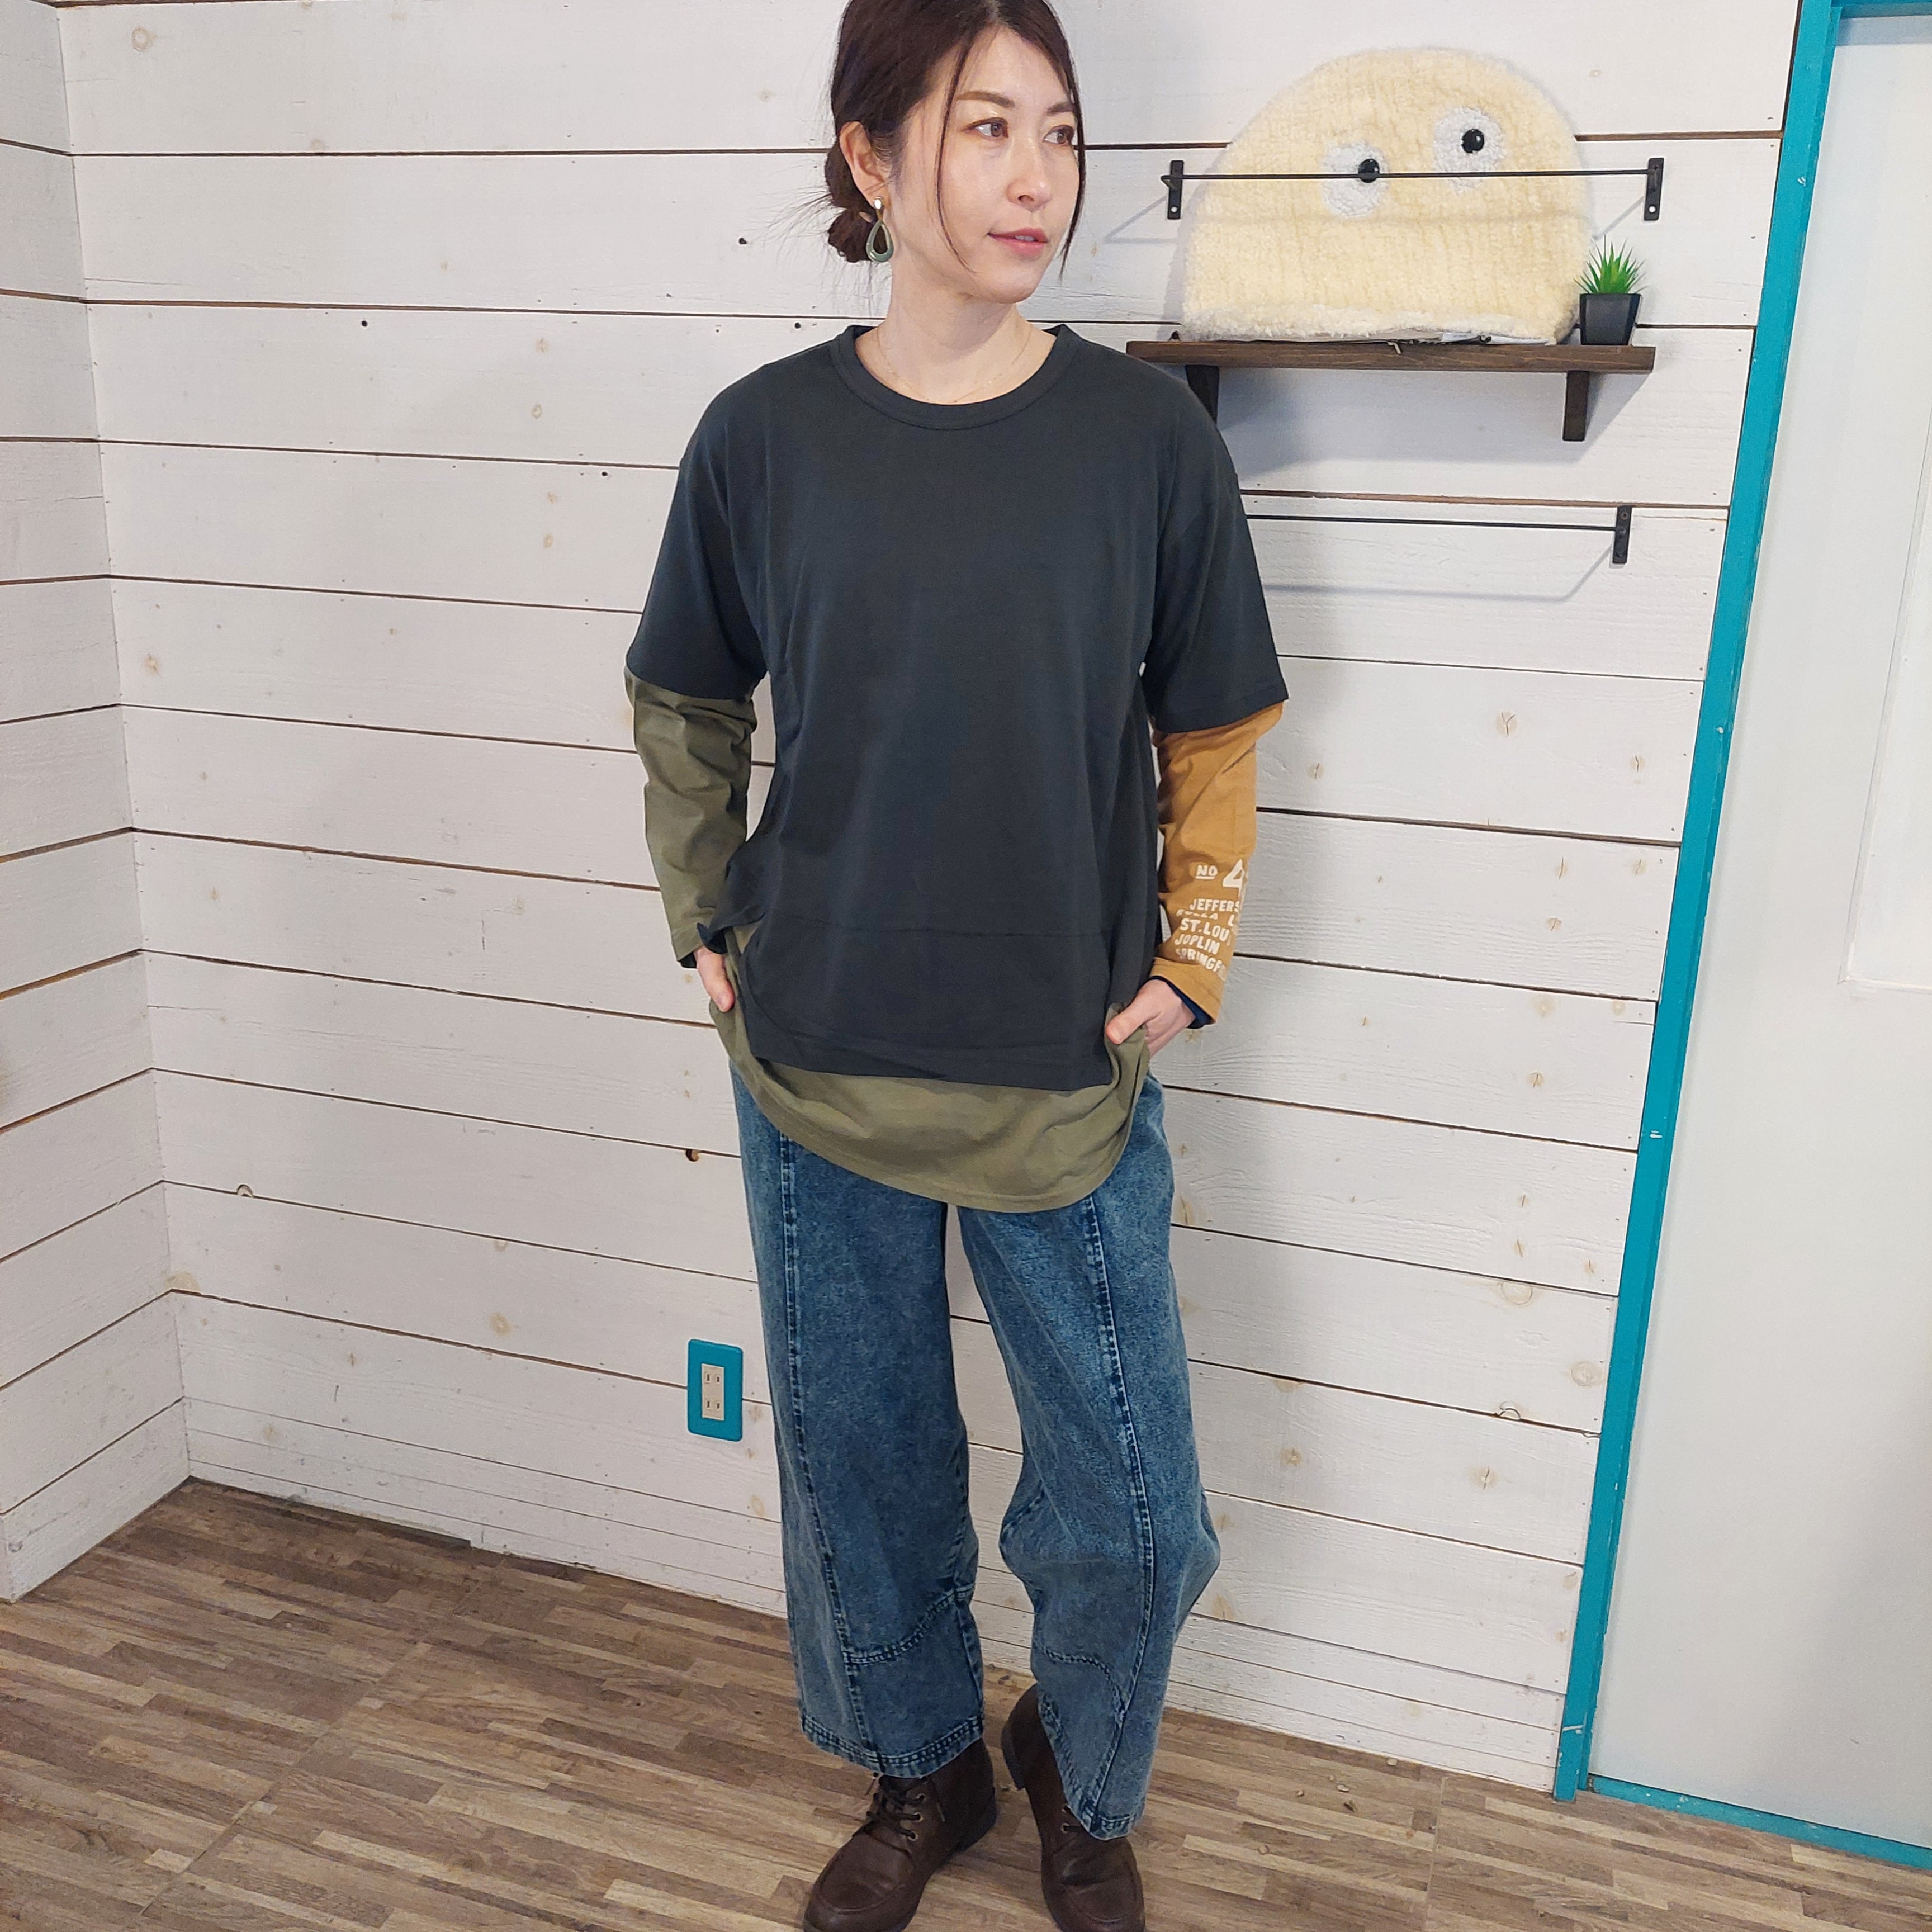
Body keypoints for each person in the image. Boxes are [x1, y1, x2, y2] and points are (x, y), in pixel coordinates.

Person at [623, 4, 1286, 1928]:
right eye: (986, 127)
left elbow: (1219, 732)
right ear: (870, 156)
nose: (1033, 176)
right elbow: (684, 697)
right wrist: (705, 910)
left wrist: (1194, 959)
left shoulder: (1144, 442)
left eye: (1059, 133)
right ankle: (923, 1771)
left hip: (1063, 1068)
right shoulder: (763, 440)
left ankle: (1076, 1759)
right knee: (862, 1472)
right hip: (818, 1054)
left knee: (1138, 1515)